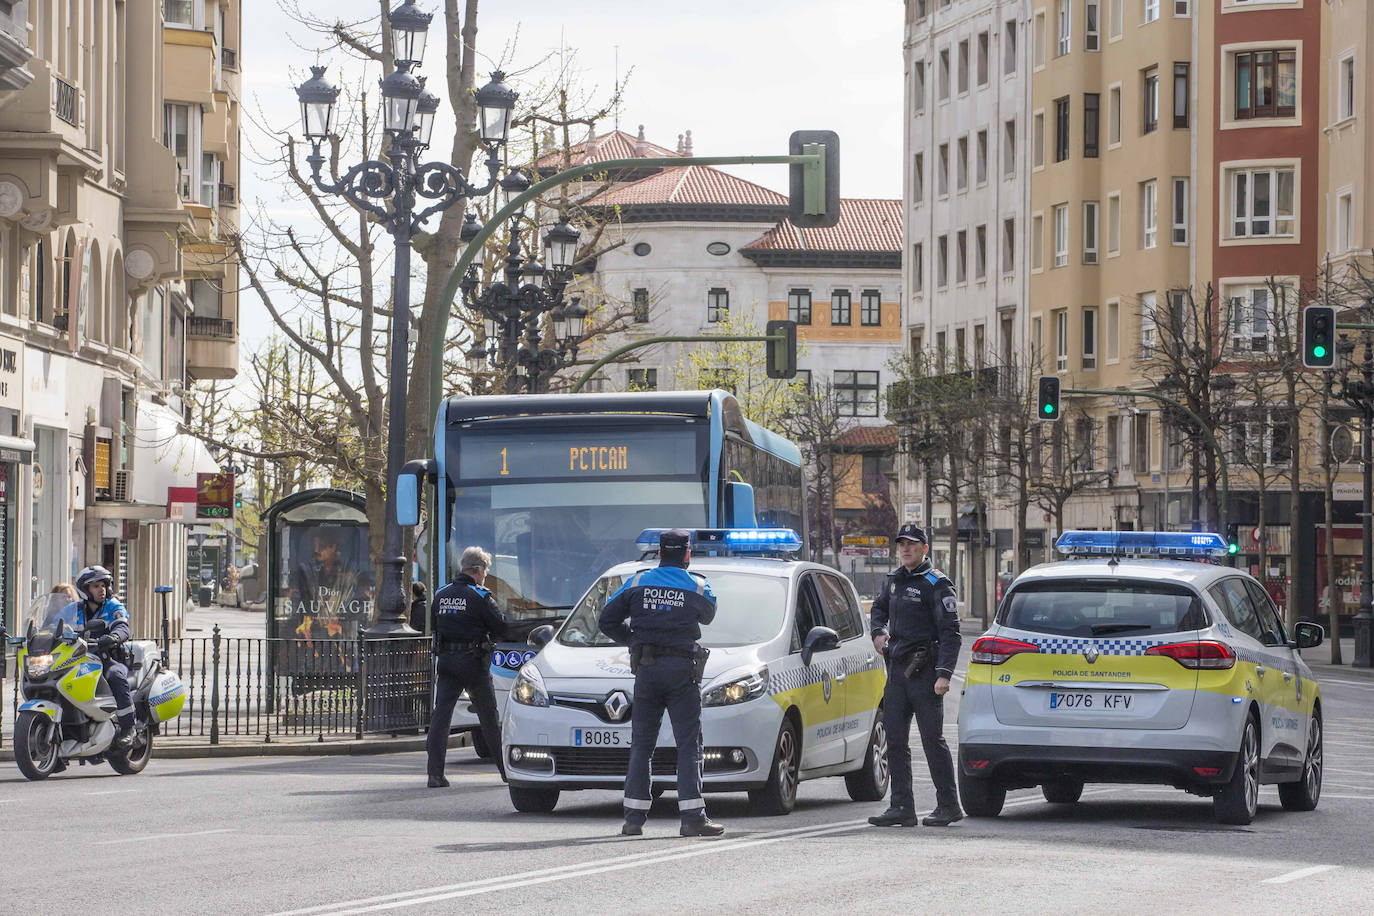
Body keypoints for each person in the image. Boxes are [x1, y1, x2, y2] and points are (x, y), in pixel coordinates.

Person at [599, 528, 724, 838]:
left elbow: (606, 620)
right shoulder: (697, 584)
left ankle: (634, 818)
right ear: (686, 554)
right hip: (681, 670)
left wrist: (633, 640)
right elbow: (708, 615)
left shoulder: (638, 581)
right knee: (688, 744)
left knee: (642, 743)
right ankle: (692, 817)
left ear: (658, 553)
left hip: (647, 669)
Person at [868, 523, 964, 828]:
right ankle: (901, 807)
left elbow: (951, 633)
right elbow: (878, 610)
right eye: (902, 545)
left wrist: (944, 674)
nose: (906, 549)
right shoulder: (894, 581)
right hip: (897, 672)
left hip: (925, 673)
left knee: (932, 741)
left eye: (912, 544)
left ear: (925, 548)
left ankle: (949, 805)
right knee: (894, 740)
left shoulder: (936, 584)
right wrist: (877, 634)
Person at [426, 546, 507, 787]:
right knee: (489, 718)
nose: (485, 576)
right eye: (485, 571)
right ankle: (506, 771)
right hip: (473, 662)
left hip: (447, 662)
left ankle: (434, 774)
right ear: (478, 570)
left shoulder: (441, 594)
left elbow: (434, 625)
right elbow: (501, 627)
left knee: (441, 717)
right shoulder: (480, 596)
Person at [66, 566, 137, 751]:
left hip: (109, 659)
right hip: (80, 660)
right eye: (95, 586)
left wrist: (114, 637)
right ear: (85, 590)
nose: (101, 589)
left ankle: (128, 727)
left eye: (103, 585)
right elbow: (52, 624)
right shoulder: (74, 609)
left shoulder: (113, 606)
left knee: (115, 676)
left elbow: (122, 626)